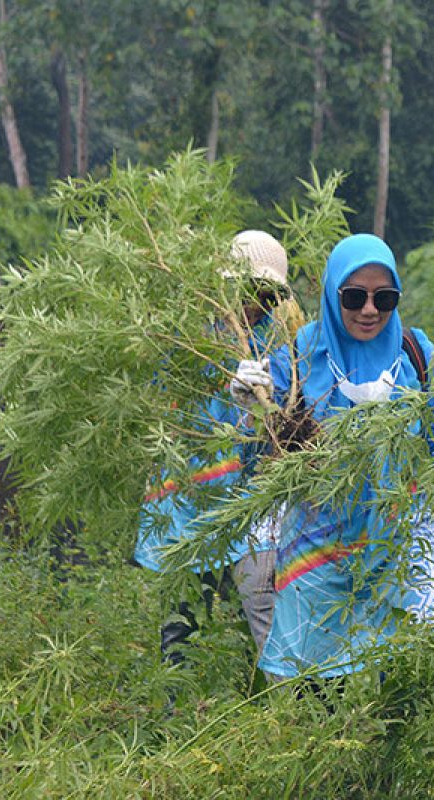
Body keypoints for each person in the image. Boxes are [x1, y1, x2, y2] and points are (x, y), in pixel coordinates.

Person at [231, 233, 434, 684]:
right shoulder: (298, 361)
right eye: (354, 296)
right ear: (332, 294)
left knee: (419, 671)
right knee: (316, 687)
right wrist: (251, 409)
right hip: (319, 553)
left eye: (384, 297)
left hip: (401, 548)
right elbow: (259, 461)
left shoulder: (415, 356)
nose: (369, 310)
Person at [134, 230, 289, 665]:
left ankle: (278, 724)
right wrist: (226, 388)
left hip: (245, 511)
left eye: (265, 294)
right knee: (181, 634)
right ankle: (175, 725)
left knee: (261, 631)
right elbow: (167, 405)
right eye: (247, 290)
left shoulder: (275, 345)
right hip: (188, 505)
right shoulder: (186, 337)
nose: (253, 302)